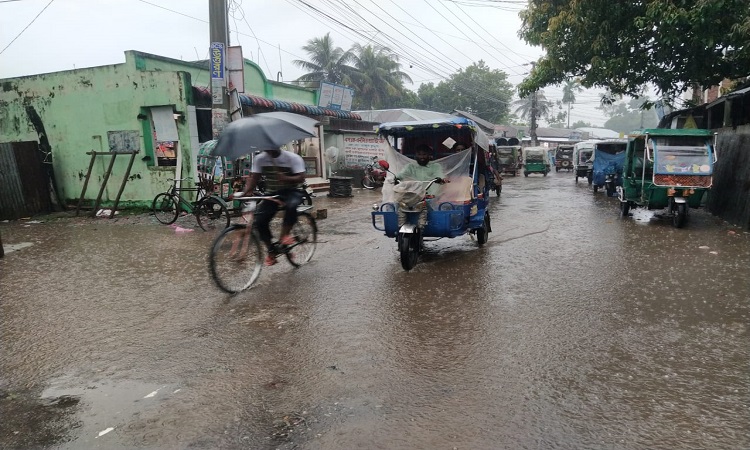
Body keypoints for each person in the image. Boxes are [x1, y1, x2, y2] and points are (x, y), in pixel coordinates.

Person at [232, 147, 306, 266]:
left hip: (292, 191)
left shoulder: (292, 158)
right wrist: (245, 192)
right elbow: (254, 178)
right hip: (272, 194)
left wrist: (285, 178)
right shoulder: (260, 159)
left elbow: (301, 178)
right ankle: (271, 250)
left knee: (291, 205)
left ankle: (284, 236)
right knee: (260, 220)